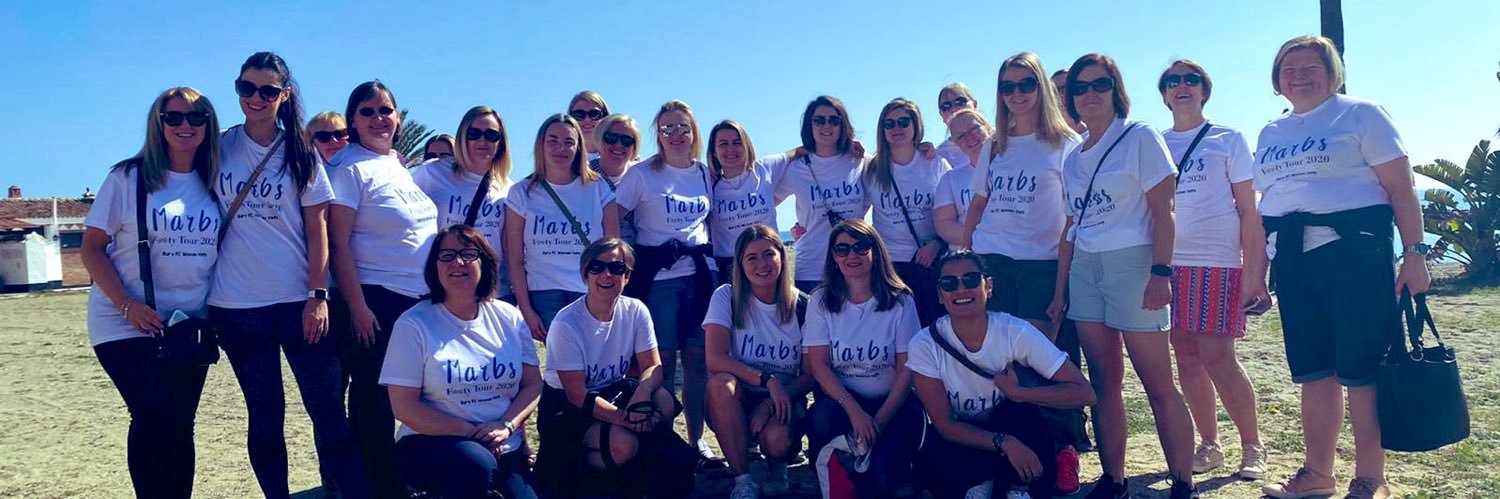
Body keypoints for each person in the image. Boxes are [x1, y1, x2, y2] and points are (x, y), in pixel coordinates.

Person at [1256, 36, 1427, 499]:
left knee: (1362, 370)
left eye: (1311, 67)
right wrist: (1257, 271)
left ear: (1334, 74)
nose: (1299, 76)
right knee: (1314, 372)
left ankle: (1371, 478)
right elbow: (1267, 205)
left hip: (1355, 254)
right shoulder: (1272, 132)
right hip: (1293, 259)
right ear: (1277, 80)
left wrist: (1415, 254)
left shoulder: (1361, 114)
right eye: (1289, 69)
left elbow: (1401, 189)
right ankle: (1317, 474)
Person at [208, 52, 368, 499]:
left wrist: (318, 295)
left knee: (328, 412)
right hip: (237, 306)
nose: (255, 98)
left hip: (299, 302)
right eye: (246, 88)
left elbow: (319, 231)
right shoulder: (218, 147)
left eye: (267, 90)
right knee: (264, 417)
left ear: (285, 94)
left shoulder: (300, 151)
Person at [1055, 54, 1197, 499]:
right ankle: (1114, 479)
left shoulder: (1140, 137)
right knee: (1103, 381)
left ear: (1116, 90)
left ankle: (1183, 481)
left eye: (1100, 84)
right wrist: (1061, 289)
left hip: (1133, 263)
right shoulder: (1073, 157)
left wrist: (1161, 273)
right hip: (1086, 267)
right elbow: (1071, 227)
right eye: (1080, 88)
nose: (1090, 94)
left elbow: (1164, 211)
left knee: (1157, 382)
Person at [81, 86, 222, 499]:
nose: (184, 125)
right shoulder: (128, 178)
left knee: (181, 422)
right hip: (124, 322)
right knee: (151, 413)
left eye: (196, 118)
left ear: (208, 125)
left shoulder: (214, 181)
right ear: (157, 125)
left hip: (188, 323)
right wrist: (127, 305)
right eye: (173, 117)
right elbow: (91, 249)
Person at [963, 51, 1088, 495]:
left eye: (1026, 84)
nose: (1016, 94)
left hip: (1042, 266)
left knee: (1041, 364)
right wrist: (965, 260)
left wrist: (1061, 285)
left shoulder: (1066, 143)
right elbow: (978, 205)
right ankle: (1009, 459)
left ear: (1042, 88)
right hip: (992, 264)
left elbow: (1071, 220)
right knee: (997, 363)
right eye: (1007, 86)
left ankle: (1063, 449)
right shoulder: (995, 146)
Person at [1154, 59, 1269, 480]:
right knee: (1185, 355)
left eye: (1191, 80)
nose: (1182, 86)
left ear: (1204, 90)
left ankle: (1252, 445)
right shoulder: (1156, 143)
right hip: (1168, 264)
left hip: (1216, 262)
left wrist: (1254, 273)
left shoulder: (1227, 139)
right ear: (1164, 94)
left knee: (1219, 357)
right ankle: (1209, 443)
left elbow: (1249, 212)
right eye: (1173, 81)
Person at [326, 80, 439, 498]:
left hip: (416, 300)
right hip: (375, 299)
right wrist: (357, 306)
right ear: (353, 121)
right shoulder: (347, 168)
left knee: (409, 395)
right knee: (373, 401)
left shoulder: (395, 163)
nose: (378, 118)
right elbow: (338, 244)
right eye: (368, 111)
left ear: (398, 117)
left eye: (385, 110)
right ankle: (378, 488)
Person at [909, 250, 1096, 499]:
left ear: (989, 286)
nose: (961, 289)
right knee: (940, 457)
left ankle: (1015, 489)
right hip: (966, 439)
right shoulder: (925, 344)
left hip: (1016, 429)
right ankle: (985, 485)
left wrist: (1021, 393)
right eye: (949, 283)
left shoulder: (1014, 332)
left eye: (971, 280)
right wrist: (1004, 442)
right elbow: (946, 426)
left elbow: (1085, 393)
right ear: (940, 295)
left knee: (1020, 414)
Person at [382, 225, 542, 499]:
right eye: (447, 255)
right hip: (435, 442)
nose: (457, 262)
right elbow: (404, 407)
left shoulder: (509, 317)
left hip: (503, 442)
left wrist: (507, 425)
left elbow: (532, 384)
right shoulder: (414, 324)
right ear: (434, 266)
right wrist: (472, 433)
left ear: (485, 262)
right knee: (475, 464)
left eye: (468, 254)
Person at [613, 100, 724, 470]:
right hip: (659, 281)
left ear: (693, 133)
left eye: (682, 128)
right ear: (657, 135)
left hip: (700, 278)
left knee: (697, 363)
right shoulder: (641, 174)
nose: (676, 135)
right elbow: (612, 214)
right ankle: (662, 439)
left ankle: (697, 441)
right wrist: (619, 259)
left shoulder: (704, 173)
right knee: (661, 363)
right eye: (667, 128)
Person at [534, 238, 689, 498]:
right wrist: (627, 418)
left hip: (615, 392)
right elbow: (577, 395)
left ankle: (648, 470)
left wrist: (642, 394)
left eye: (617, 268)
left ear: (627, 276)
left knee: (663, 400)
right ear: (585, 274)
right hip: (568, 408)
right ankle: (574, 474)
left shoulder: (636, 310)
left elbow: (653, 366)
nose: (607, 274)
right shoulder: (566, 324)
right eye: (597, 267)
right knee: (623, 444)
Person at [804, 219, 924, 499]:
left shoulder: (901, 301)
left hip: (892, 404)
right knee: (820, 417)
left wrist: (877, 423)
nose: (852, 255)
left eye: (861, 247)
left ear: (876, 252)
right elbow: (819, 365)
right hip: (843, 403)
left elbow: (907, 369)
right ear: (833, 258)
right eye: (842, 249)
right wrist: (855, 413)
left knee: (881, 479)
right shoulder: (820, 300)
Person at [703, 224, 813, 499]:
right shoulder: (726, 296)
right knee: (720, 385)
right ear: (740, 264)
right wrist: (766, 380)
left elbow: (809, 375)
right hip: (739, 395)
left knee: (777, 440)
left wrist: (769, 402)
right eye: (751, 257)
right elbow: (715, 359)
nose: (762, 264)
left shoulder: (804, 305)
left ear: (782, 257)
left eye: (769, 254)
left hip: (784, 399)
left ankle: (778, 465)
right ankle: (743, 480)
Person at [504, 114, 621, 341]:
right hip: (544, 294)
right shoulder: (521, 192)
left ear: (578, 147)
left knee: (595, 357)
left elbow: (615, 251)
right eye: (553, 141)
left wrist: (611, 298)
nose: (561, 148)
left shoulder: (598, 187)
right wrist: (526, 310)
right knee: (561, 360)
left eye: (569, 142)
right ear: (541, 144)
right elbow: (515, 259)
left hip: (591, 290)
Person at [412, 106, 515, 302]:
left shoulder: (509, 189)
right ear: (462, 138)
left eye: (491, 135)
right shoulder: (433, 173)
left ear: (501, 142)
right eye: (474, 134)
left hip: (494, 292)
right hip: (444, 288)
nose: (482, 141)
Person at [864, 98, 951, 327]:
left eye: (904, 122)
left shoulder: (935, 163)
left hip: (930, 261)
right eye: (889, 124)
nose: (896, 128)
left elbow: (955, 213)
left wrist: (937, 244)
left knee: (935, 326)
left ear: (916, 125)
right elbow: (854, 211)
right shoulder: (871, 169)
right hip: (890, 265)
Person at [774, 96, 871, 292]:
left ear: (842, 125)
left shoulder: (859, 161)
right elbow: (765, 204)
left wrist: (921, 148)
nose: (826, 126)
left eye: (834, 120)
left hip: (854, 263)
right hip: (812, 267)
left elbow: (874, 195)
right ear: (809, 125)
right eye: (819, 120)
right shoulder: (796, 169)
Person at [706, 120, 789, 285]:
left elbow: (799, 152)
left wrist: (844, 146)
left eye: (737, 142)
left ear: (747, 145)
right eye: (723, 143)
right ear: (714, 151)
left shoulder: (764, 169)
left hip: (768, 259)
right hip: (729, 264)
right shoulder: (708, 182)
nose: (731, 149)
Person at [933, 109, 992, 249]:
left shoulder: (1012, 169)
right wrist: (984, 241)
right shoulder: (950, 179)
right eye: (961, 136)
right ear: (956, 143)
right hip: (972, 255)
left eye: (974, 129)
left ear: (987, 127)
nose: (969, 137)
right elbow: (943, 223)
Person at [591, 113, 641, 244]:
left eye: (627, 141)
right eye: (611, 138)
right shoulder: (584, 175)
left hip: (640, 252)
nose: (618, 145)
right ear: (599, 139)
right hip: (596, 250)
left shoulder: (643, 175)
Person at [935, 83, 980, 169]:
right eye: (946, 106)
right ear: (941, 115)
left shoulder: (998, 139)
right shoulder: (938, 157)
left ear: (974, 105)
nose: (954, 108)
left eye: (960, 102)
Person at [568, 90, 611, 161]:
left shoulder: (620, 155)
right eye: (579, 115)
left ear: (605, 117)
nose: (587, 120)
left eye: (594, 114)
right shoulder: (564, 157)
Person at [1051, 70, 1086, 134]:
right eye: (1055, 90)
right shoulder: (1045, 135)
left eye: (1067, 88)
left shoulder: (1100, 130)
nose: (1061, 94)